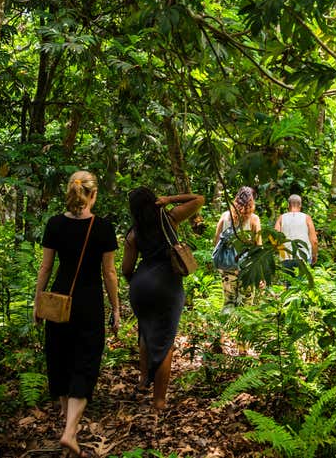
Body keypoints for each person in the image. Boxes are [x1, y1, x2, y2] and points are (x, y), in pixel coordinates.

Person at [33, 170, 119, 458]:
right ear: (93, 194)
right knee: (85, 360)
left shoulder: (55, 224)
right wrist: (116, 308)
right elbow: (109, 272)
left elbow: (45, 267)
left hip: (59, 301)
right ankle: (70, 430)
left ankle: (65, 418)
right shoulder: (104, 227)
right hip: (89, 303)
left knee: (60, 357)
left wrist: (37, 302)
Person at [121, 188, 204, 411]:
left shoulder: (133, 234)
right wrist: (169, 199)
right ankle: (159, 401)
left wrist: (139, 283)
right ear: (154, 202)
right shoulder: (170, 218)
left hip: (141, 287)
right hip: (167, 285)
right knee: (164, 342)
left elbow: (126, 269)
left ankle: (142, 382)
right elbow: (199, 199)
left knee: (147, 332)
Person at [213, 186, 261, 311]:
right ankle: (241, 328)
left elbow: (216, 240)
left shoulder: (225, 216)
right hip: (246, 268)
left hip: (227, 266)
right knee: (245, 302)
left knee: (229, 300)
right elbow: (258, 247)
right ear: (252, 202)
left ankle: (226, 328)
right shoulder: (254, 219)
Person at [274, 194, 318, 275]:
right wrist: (314, 254)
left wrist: (281, 252)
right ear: (300, 205)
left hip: (286, 257)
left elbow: (275, 238)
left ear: (288, 205)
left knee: (288, 285)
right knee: (302, 285)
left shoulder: (281, 218)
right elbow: (314, 240)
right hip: (303, 256)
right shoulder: (307, 218)